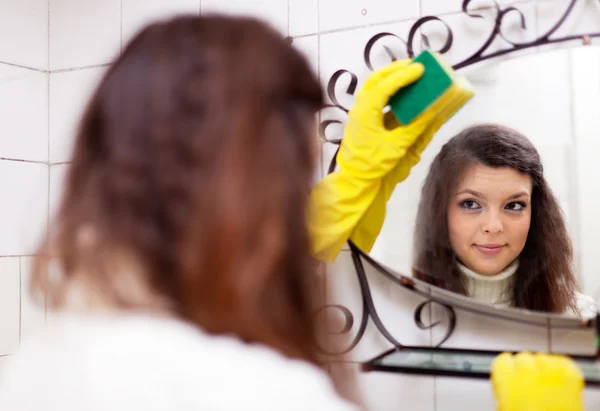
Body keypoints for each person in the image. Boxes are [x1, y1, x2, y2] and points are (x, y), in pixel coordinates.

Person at [0, 14, 585, 411]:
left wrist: (362, 183)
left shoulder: (34, 370)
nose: (493, 225)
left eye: (514, 206)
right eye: (295, 176)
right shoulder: (262, 392)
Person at [412, 123, 596, 318]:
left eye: (514, 206)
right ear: (439, 212)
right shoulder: (402, 318)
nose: (493, 227)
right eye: (470, 204)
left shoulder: (578, 318)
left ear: (536, 214)